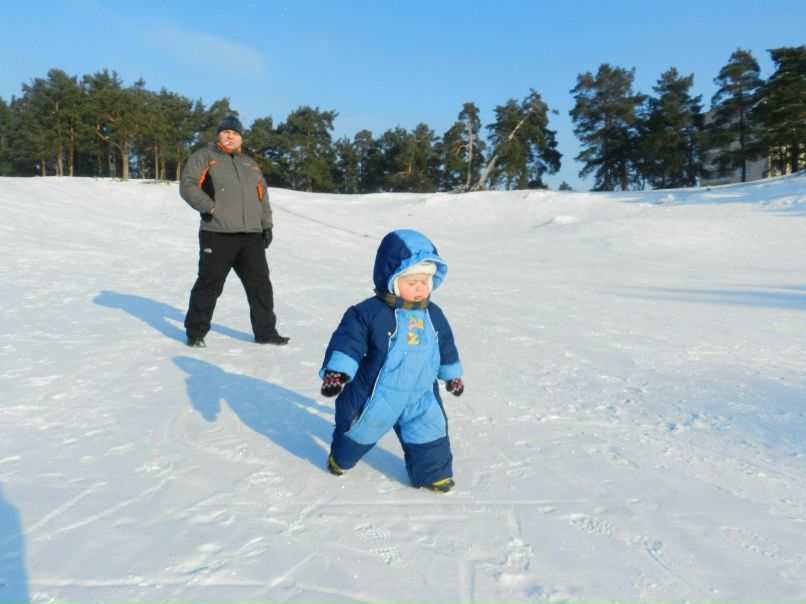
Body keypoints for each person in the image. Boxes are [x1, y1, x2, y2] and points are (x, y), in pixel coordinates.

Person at [318, 229, 464, 493]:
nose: (420, 288)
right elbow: (348, 341)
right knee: (358, 430)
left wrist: (452, 374)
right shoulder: (369, 312)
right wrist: (337, 372)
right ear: (392, 279)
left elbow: (445, 345)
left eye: (425, 281)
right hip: (378, 393)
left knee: (430, 429)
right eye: (412, 282)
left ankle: (433, 474)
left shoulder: (433, 314)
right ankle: (340, 460)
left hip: (421, 393)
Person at [179, 115, 288, 348]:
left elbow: (262, 197)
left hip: (251, 236)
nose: (230, 137)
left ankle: (266, 332)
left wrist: (266, 225)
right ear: (218, 134)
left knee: (260, 286)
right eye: (226, 132)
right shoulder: (204, 157)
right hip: (217, 233)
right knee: (210, 284)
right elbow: (188, 185)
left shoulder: (250, 164)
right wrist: (210, 207)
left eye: (235, 133)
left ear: (241, 139)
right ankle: (195, 333)